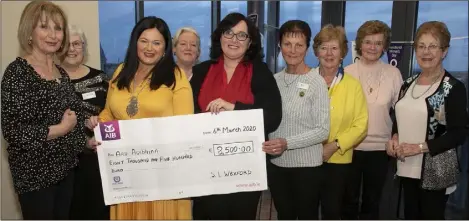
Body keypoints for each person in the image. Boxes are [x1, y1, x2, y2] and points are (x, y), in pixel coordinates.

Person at [87, 16, 194, 220]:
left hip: (163, 175)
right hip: (125, 175)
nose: (149, 48)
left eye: (156, 42)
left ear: (165, 48)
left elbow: (184, 126)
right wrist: (98, 127)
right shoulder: (120, 72)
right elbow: (109, 113)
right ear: (135, 41)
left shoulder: (175, 76)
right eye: (144, 41)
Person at [1, 1, 96, 219]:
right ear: (29, 31)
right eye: (44, 26)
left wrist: (86, 139)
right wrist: (61, 128)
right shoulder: (17, 74)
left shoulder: (60, 72)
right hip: (35, 179)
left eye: (58, 28)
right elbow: (14, 132)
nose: (53, 35)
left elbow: (73, 114)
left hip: (66, 171)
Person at [190, 12, 282, 220]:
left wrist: (233, 108)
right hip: (205, 169)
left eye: (242, 36)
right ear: (219, 37)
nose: (234, 40)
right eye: (229, 33)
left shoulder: (260, 73)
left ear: (250, 43)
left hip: (245, 172)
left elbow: (273, 116)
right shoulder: (200, 72)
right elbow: (185, 116)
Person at [386, 21, 468, 220]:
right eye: (421, 46)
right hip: (405, 167)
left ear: (444, 51)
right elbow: (399, 116)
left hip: (435, 171)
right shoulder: (407, 84)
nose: (426, 52)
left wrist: (420, 147)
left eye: (433, 46)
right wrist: (394, 138)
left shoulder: (452, 88)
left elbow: (459, 133)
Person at [263, 20, 330, 220]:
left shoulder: (316, 81)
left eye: (299, 45)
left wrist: (287, 143)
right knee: (284, 216)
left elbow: (323, 130)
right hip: (277, 167)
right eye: (287, 44)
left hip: (306, 169)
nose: (292, 50)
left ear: (307, 48)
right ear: (279, 45)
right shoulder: (273, 81)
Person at [342, 20, 403, 220]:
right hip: (349, 147)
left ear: (384, 46)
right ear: (360, 43)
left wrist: (396, 135)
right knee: (348, 201)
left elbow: (402, 111)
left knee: (373, 202)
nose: (373, 47)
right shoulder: (346, 72)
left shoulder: (393, 74)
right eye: (368, 42)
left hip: (380, 149)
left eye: (378, 43)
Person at [311, 24, 368, 220]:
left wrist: (334, 146)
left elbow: (361, 125)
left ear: (342, 52)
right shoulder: (306, 80)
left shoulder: (353, 85)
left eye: (334, 48)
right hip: (306, 158)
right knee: (306, 209)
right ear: (316, 51)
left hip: (339, 159)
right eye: (324, 47)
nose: (328, 53)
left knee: (333, 212)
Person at [60, 24, 110, 220]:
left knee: (98, 210)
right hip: (64, 161)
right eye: (67, 44)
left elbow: (113, 109)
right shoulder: (52, 80)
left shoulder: (100, 78)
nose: (72, 49)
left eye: (77, 44)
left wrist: (102, 119)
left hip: (98, 161)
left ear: (84, 47)